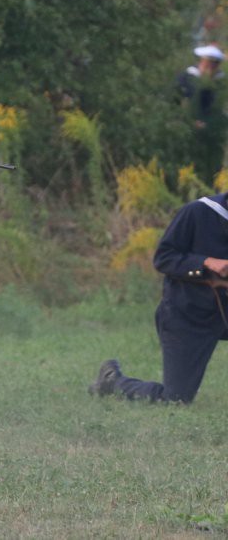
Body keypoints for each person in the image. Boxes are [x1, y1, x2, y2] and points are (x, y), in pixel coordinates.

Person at [90, 193, 228, 403]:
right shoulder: (198, 212)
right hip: (187, 316)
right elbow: (164, 258)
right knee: (176, 399)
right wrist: (206, 263)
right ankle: (112, 382)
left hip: (223, 313)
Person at [174, 44, 227, 179]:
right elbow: (174, 101)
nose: (210, 67)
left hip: (211, 137)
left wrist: (208, 124)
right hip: (183, 131)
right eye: (208, 62)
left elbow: (221, 111)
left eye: (214, 64)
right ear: (202, 61)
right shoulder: (186, 77)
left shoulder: (222, 84)